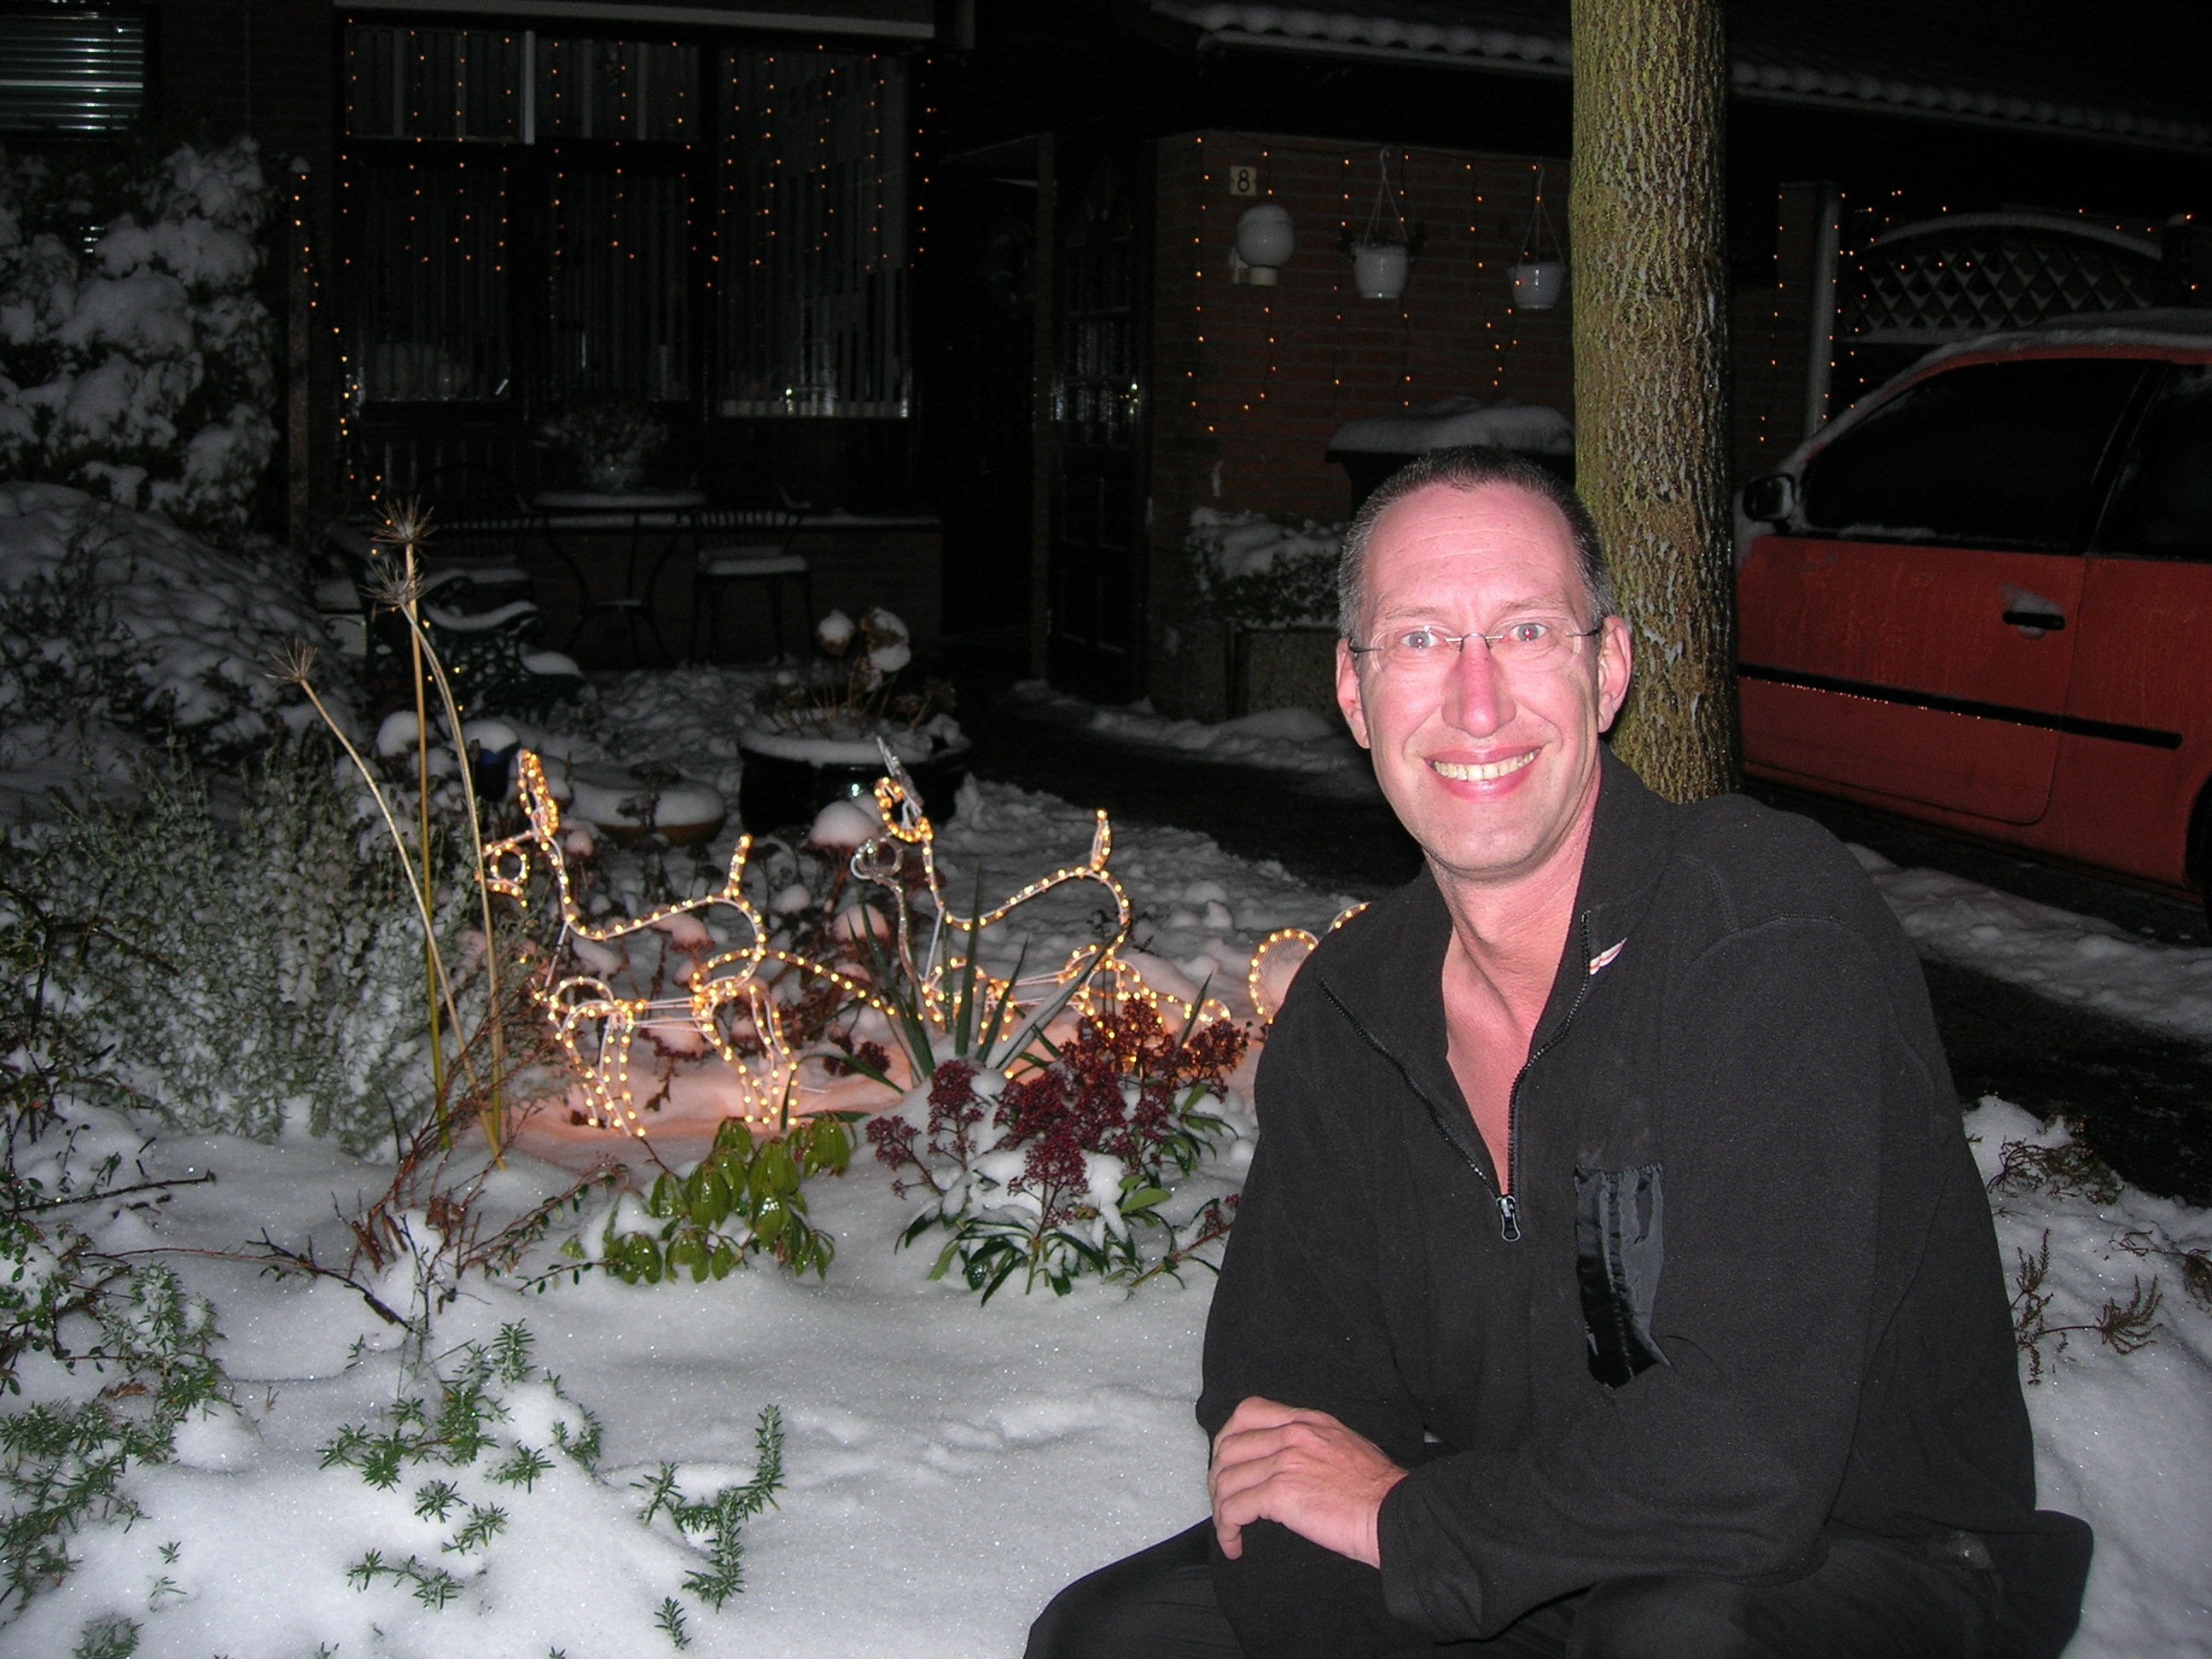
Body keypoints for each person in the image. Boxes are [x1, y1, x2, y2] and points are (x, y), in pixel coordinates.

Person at [1026, 446, 2090, 1659]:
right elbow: (1284, 1426)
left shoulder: (1763, 930)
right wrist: (1376, 1563)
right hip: (1521, 1525)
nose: (1477, 702)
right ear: (1356, 694)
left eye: (1527, 632)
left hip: (1859, 1555)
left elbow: (1752, 1456)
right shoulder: (1350, 1014)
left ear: (1608, 667)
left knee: (1671, 1639)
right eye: (1421, 639)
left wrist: (1412, 1526)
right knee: (1111, 1638)